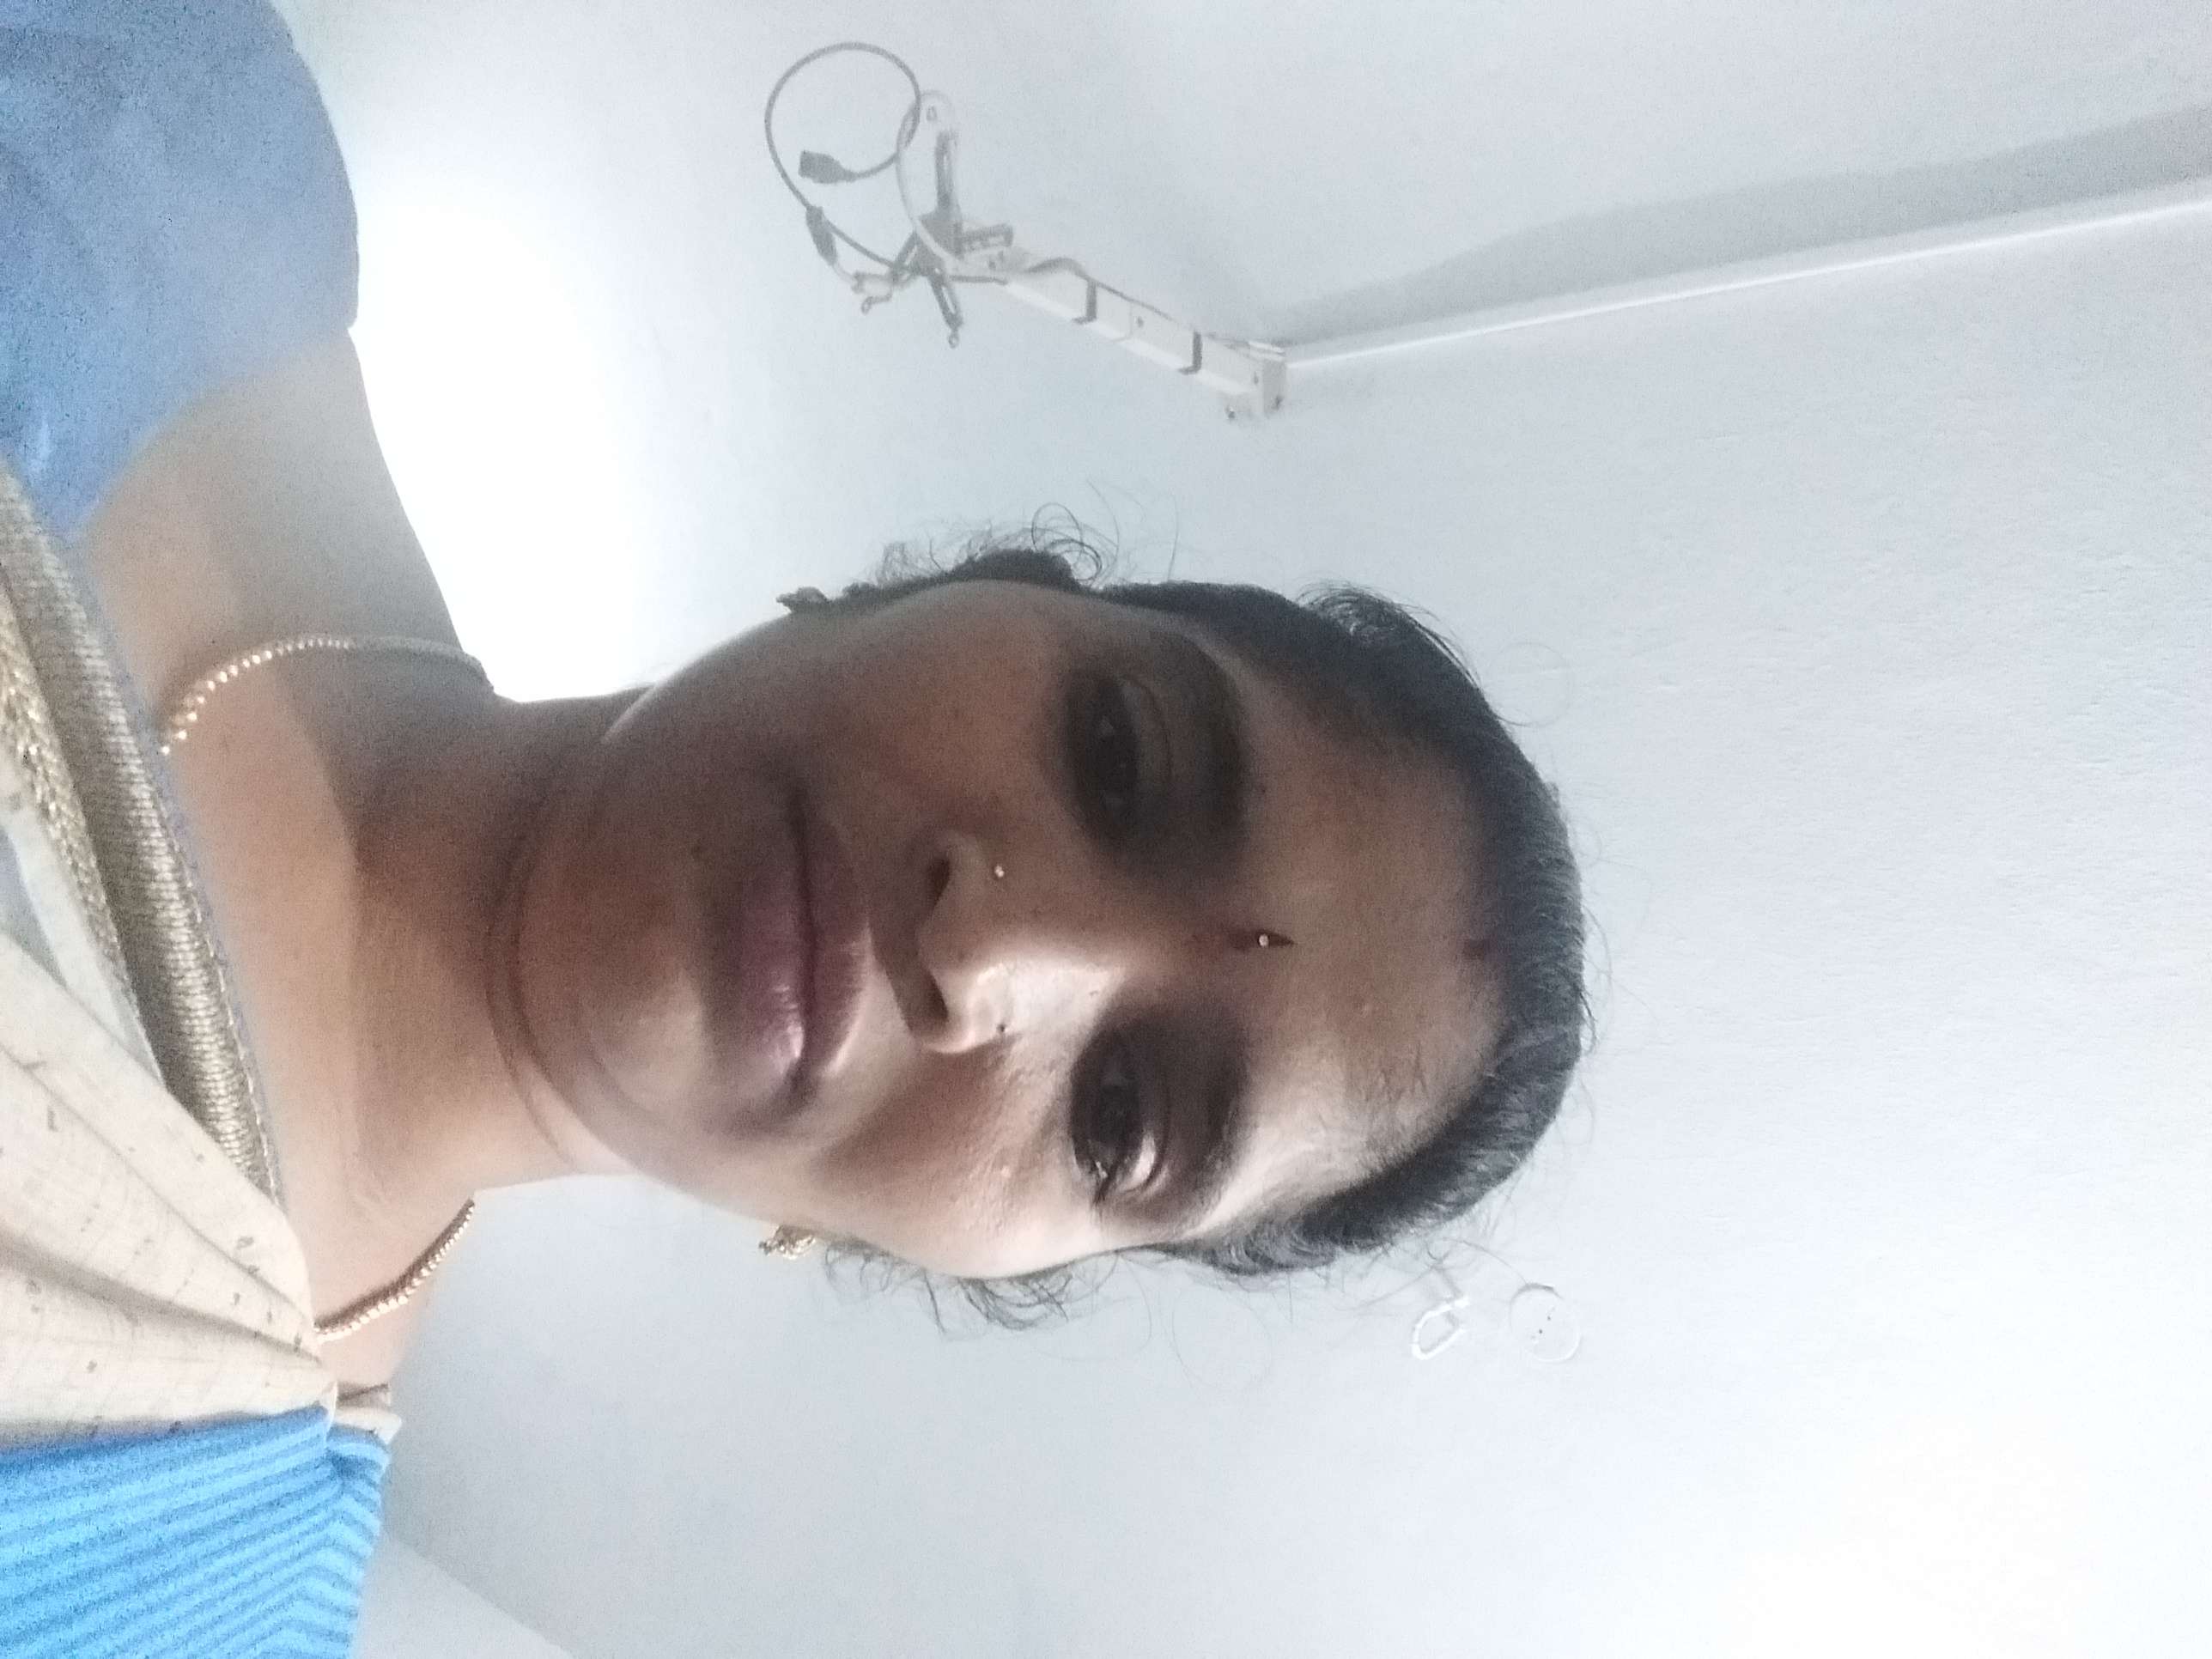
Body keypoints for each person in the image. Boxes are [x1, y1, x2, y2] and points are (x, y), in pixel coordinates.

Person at [0, 1, 1587, 1652]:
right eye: (1116, 756)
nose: (990, 945)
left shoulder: (177, 1596)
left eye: (1121, 1116)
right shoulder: (168, 123)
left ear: (958, 1258)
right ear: (955, 587)